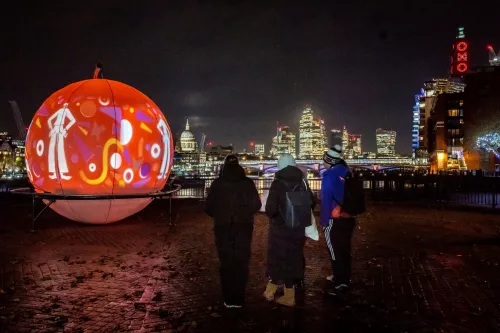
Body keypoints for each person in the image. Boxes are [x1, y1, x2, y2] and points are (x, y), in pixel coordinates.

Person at [205, 162, 261, 308]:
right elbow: (257, 205)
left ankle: (229, 299)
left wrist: (220, 215)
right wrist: (245, 214)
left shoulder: (217, 184)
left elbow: (209, 207)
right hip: (244, 227)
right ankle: (239, 298)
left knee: (226, 262)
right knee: (242, 262)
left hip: (223, 227)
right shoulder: (248, 183)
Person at [263, 154, 315, 307]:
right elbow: (312, 202)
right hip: (298, 229)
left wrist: (277, 215)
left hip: (280, 229)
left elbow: (270, 209)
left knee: (276, 259)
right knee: (293, 259)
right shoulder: (303, 181)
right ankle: (289, 295)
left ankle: (270, 291)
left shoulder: (278, 184)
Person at [320, 145, 356, 296]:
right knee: (344, 248)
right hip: (349, 217)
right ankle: (344, 277)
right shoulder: (348, 171)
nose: (323, 163)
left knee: (334, 250)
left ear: (329, 161)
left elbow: (326, 199)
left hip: (334, 219)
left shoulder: (329, 175)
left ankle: (340, 282)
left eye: (324, 161)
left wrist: (324, 221)